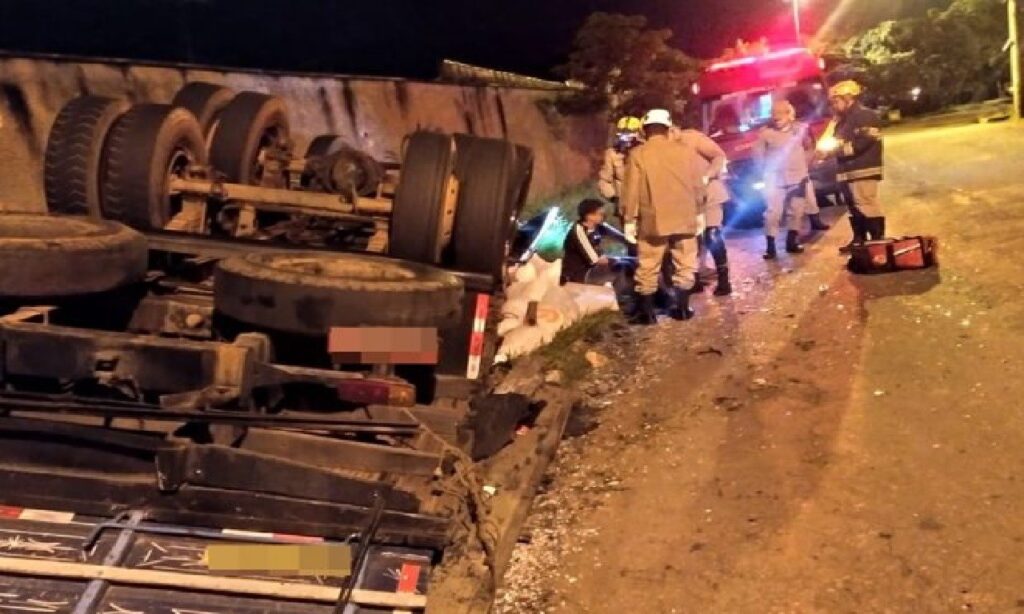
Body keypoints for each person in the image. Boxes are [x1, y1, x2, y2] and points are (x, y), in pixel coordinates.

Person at [621, 109, 706, 324]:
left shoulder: (638, 154)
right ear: (668, 128)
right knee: (686, 263)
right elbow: (698, 185)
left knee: (648, 265)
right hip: (685, 215)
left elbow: (631, 190)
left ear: (645, 129)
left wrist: (629, 219)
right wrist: (699, 212)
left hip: (653, 219)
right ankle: (684, 309)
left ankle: (648, 314)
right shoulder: (686, 151)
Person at [819, 80, 885, 251]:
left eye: (836, 101)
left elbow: (864, 142)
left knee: (866, 203)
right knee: (852, 206)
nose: (833, 105)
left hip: (863, 168)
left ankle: (877, 241)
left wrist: (836, 152)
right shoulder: (842, 121)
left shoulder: (865, 115)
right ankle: (859, 239)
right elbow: (833, 141)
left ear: (849, 98)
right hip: (846, 170)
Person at [671, 124, 732, 296]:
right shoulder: (663, 150)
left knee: (712, 234)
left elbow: (719, 156)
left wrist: (708, 175)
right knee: (691, 240)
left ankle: (724, 280)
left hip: (709, 194)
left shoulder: (693, 138)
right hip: (686, 200)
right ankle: (694, 279)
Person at [753, 99, 817, 260]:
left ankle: (791, 241)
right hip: (775, 180)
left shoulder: (800, 129)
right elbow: (757, 156)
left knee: (796, 211)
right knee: (773, 213)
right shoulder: (765, 133)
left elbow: (810, 147)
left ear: (790, 115)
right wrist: (764, 172)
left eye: (780, 115)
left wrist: (805, 165)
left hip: (797, 177)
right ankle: (771, 247)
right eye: (774, 116)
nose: (777, 119)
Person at [560, 198, 633, 289]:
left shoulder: (599, 226)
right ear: (589, 216)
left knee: (633, 262)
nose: (603, 217)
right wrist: (615, 260)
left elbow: (622, 238)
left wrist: (636, 243)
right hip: (580, 274)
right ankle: (620, 299)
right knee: (621, 268)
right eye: (600, 214)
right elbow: (595, 260)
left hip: (596, 268)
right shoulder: (578, 231)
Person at [598, 116, 643, 225]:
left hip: (645, 206)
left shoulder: (646, 151)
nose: (626, 136)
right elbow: (604, 181)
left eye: (630, 132)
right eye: (623, 132)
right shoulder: (612, 154)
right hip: (625, 208)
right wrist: (614, 197)